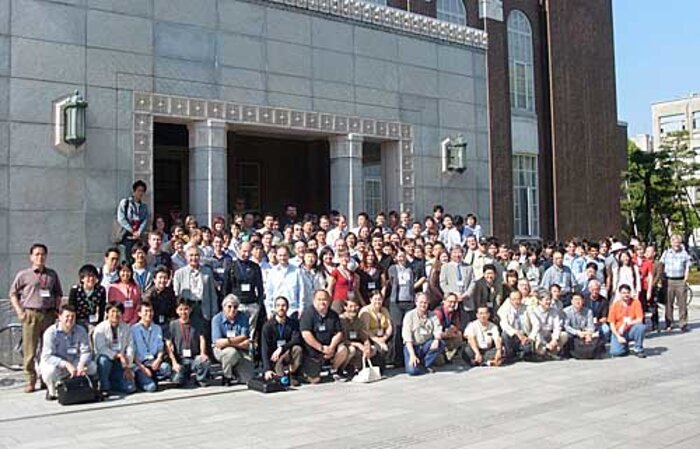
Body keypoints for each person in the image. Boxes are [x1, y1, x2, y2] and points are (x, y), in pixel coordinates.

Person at [9, 243, 64, 393]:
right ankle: (30, 379)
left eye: (43, 254)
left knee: (48, 349)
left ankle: (46, 378)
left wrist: (57, 310)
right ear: (31, 257)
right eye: (37, 254)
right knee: (30, 350)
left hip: (48, 315)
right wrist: (20, 312)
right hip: (31, 315)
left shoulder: (52, 274)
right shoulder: (24, 275)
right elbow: (13, 294)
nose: (40, 257)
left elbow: (58, 293)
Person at [39, 305, 95, 400]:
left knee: (92, 367)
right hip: (57, 363)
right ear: (60, 317)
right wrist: (66, 364)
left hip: (74, 360)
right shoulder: (51, 332)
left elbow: (86, 351)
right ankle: (52, 389)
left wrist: (81, 364)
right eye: (67, 316)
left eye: (73, 316)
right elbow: (47, 356)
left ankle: (80, 387)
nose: (70, 319)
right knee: (50, 372)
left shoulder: (81, 330)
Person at [299, 290, 349, 384]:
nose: (322, 302)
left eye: (325, 299)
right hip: (313, 351)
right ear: (314, 301)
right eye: (319, 299)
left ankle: (334, 370)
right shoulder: (308, 314)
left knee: (344, 349)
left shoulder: (333, 314)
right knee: (315, 380)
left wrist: (331, 347)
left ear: (329, 301)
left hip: (330, 349)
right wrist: (321, 348)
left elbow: (339, 333)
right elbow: (306, 334)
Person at [173, 246, 219, 340]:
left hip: (203, 307)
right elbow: (176, 294)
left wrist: (214, 312)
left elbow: (212, 294)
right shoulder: (179, 273)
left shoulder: (207, 271)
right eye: (191, 255)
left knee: (204, 334)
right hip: (187, 307)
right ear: (186, 257)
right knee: (189, 334)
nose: (194, 258)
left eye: (196, 255)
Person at [93, 302, 136, 395]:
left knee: (130, 388)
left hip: (121, 363)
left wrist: (127, 365)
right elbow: (101, 348)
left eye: (118, 312)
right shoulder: (100, 328)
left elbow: (130, 346)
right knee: (103, 360)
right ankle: (105, 386)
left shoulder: (126, 327)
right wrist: (118, 355)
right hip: (107, 361)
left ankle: (112, 382)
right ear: (107, 313)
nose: (115, 314)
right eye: (112, 311)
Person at [166, 299, 211, 387]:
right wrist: (174, 363)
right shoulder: (173, 325)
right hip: (180, 359)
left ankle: (200, 379)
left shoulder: (197, 323)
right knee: (177, 381)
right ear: (177, 311)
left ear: (190, 310)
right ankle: (185, 376)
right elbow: (168, 345)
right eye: (181, 309)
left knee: (204, 361)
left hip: (193, 357)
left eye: (186, 309)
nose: (183, 312)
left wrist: (202, 353)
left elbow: (202, 339)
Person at [211, 294, 254, 385]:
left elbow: (245, 339)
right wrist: (238, 342)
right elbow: (217, 342)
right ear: (223, 307)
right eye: (229, 306)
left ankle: (234, 370)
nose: (232, 309)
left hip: (241, 350)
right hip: (222, 351)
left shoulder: (243, 317)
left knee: (248, 379)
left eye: (235, 307)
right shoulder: (216, 319)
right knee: (231, 353)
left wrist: (227, 342)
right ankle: (227, 376)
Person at [260, 296, 303, 385]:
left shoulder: (293, 323)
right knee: (280, 380)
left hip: (287, 354)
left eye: (283, 305)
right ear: (275, 308)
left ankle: (291, 373)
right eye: (278, 305)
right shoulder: (268, 326)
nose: (281, 308)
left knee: (298, 349)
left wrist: (281, 348)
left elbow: (296, 339)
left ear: (287, 308)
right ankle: (283, 374)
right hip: (275, 359)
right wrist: (267, 369)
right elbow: (264, 349)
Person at [223, 241, 265, 333]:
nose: (246, 254)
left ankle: (249, 346)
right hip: (237, 304)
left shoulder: (255, 267)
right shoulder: (231, 266)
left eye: (249, 251)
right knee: (237, 328)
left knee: (251, 331)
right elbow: (225, 287)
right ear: (238, 250)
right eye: (244, 251)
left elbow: (260, 287)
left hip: (252, 304)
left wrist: (258, 303)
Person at [130, 302, 171, 392]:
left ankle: (152, 377)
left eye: (151, 311)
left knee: (167, 368)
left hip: (153, 362)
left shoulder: (157, 328)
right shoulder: (133, 329)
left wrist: (158, 360)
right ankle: (141, 380)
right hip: (140, 364)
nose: (149, 314)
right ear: (139, 313)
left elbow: (161, 348)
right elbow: (132, 354)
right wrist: (143, 368)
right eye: (146, 311)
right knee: (151, 388)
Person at [402, 293, 445, 375]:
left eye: (425, 302)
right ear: (416, 302)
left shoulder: (433, 315)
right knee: (412, 371)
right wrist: (412, 354)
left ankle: (425, 364)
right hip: (413, 346)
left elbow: (438, 329)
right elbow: (407, 338)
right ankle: (419, 365)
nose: (423, 305)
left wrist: (436, 339)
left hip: (426, 345)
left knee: (440, 343)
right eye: (421, 302)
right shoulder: (409, 316)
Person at [386, 250, 416, 366]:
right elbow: (392, 282)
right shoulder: (393, 269)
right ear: (396, 258)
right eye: (399, 256)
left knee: (407, 329)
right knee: (397, 328)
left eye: (403, 256)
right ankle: (397, 358)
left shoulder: (410, 269)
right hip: (397, 302)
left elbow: (412, 283)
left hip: (409, 301)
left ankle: (408, 356)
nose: (401, 258)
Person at [660, 235, 692, 332]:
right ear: (671, 242)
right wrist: (661, 278)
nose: (676, 244)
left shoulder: (684, 253)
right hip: (668, 280)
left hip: (680, 280)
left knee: (682, 303)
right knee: (668, 303)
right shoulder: (666, 253)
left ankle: (683, 323)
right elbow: (661, 265)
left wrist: (686, 278)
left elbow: (687, 266)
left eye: (678, 242)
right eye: (674, 242)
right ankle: (669, 324)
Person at [439, 246, 475, 329]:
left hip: (466, 300)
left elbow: (473, 282)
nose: (457, 255)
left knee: (466, 324)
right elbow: (443, 283)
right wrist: (454, 295)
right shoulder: (445, 267)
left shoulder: (469, 267)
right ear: (451, 254)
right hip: (452, 301)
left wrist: (466, 294)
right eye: (454, 253)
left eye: (459, 252)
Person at [265, 246, 306, 318]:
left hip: (293, 309)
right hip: (277, 310)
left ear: (288, 256)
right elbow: (269, 292)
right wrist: (269, 310)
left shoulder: (297, 271)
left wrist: (301, 308)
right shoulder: (272, 272)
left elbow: (301, 291)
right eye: (280, 255)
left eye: (284, 255)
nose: (282, 258)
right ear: (276, 256)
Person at [608, 284, 647, 358]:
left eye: (627, 293)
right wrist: (618, 336)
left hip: (631, 330)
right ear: (620, 294)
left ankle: (638, 348)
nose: (626, 295)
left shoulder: (636, 303)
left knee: (641, 327)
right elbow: (611, 323)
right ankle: (625, 346)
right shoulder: (615, 305)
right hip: (619, 332)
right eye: (623, 293)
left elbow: (640, 319)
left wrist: (627, 323)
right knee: (616, 352)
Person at [358, 290, 393, 371]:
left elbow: (389, 326)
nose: (378, 301)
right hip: (370, 338)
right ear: (370, 299)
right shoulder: (366, 311)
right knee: (379, 348)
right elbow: (365, 330)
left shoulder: (384, 310)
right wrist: (378, 341)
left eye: (380, 299)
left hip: (383, 336)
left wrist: (384, 338)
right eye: (375, 299)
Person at [527, 293, 568, 360]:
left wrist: (554, 339)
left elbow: (557, 327)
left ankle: (552, 353)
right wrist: (546, 344)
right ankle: (544, 352)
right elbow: (536, 329)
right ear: (540, 301)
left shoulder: (554, 311)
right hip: (539, 336)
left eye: (549, 300)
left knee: (564, 335)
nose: (548, 302)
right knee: (538, 341)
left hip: (549, 334)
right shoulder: (534, 311)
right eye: (546, 300)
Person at [340, 297, 373, 379]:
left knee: (372, 349)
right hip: (344, 346)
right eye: (351, 306)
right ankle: (340, 370)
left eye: (355, 306)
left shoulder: (358, 321)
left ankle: (355, 367)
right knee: (352, 350)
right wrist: (357, 344)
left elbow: (364, 336)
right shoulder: (340, 320)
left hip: (356, 345)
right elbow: (340, 339)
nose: (353, 309)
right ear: (345, 307)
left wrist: (367, 345)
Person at [116, 180, 150, 259]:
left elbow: (145, 220)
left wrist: (139, 232)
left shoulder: (144, 206)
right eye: (138, 190)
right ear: (134, 191)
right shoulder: (125, 202)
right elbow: (121, 219)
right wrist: (132, 230)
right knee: (126, 257)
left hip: (138, 237)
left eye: (142, 191)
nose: (140, 193)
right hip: (126, 235)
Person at [563, 293, 604, 359]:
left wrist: (588, 334)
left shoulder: (588, 311)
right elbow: (566, 326)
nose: (578, 302)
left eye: (580, 299)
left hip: (585, 332)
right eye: (576, 299)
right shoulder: (566, 311)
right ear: (572, 301)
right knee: (566, 335)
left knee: (598, 335)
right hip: (573, 333)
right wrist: (577, 332)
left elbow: (591, 326)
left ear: (583, 301)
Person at [68, 264, 107, 332]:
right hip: (78, 320)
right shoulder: (75, 290)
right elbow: (71, 308)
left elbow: (102, 308)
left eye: (93, 276)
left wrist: (99, 323)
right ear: (82, 279)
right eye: (88, 276)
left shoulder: (101, 290)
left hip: (94, 320)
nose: (91, 279)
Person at [497, 291, 533, 362]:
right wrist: (517, 333)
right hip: (512, 336)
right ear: (509, 300)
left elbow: (536, 323)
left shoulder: (527, 308)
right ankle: (509, 355)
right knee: (505, 334)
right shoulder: (505, 309)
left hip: (525, 335)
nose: (516, 302)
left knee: (527, 353)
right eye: (513, 299)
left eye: (518, 299)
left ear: (521, 299)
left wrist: (530, 337)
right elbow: (504, 325)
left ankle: (521, 354)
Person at [142, 265, 177, 337]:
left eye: (165, 278)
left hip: (167, 323)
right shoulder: (149, 295)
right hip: (153, 323)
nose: (162, 280)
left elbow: (173, 311)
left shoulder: (170, 292)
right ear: (154, 279)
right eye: (160, 278)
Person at [432, 293, 464, 363]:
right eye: (450, 302)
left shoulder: (454, 312)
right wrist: (446, 334)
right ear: (444, 301)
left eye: (454, 302)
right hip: (435, 339)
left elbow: (458, 326)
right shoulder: (438, 313)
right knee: (440, 362)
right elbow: (434, 332)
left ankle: (450, 353)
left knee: (459, 335)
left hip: (446, 336)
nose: (452, 304)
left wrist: (453, 329)